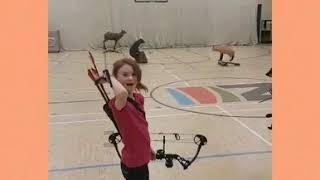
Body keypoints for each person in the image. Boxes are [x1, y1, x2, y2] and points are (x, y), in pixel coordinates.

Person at [92, 58, 155, 180]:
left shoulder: (139, 98)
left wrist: (148, 148)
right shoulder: (119, 103)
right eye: (125, 75)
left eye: (134, 74)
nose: (130, 78)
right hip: (133, 164)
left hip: (143, 159)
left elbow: (141, 128)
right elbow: (122, 93)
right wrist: (109, 77)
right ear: (115, 79)